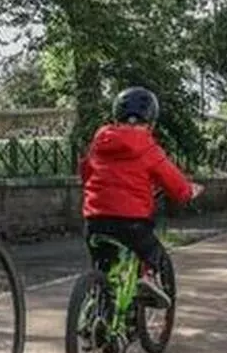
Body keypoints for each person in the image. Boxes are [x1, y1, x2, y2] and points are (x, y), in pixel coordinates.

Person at [79, 87, 205, 308]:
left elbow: (86, 173)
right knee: (152, 252)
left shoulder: (99, 143)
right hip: (131, 222)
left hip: (95, 219)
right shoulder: (147, 147)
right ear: (152, 120)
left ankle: (96, 311)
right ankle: (146, 279)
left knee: (103, 267)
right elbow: (173, 180)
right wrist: (188, 192)